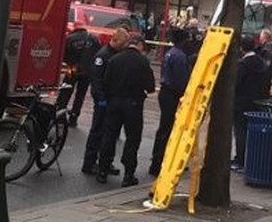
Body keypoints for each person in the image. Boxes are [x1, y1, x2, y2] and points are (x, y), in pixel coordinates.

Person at [97, 36, 156, 186]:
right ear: (140, 45)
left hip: (114, 102)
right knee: (132, 139)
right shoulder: (142, 61)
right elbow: (150, 86)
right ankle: (128, 174)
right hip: (133, 104)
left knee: (109, 136)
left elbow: (105, 81)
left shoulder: (115, 59)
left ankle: (103, 170)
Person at [81, 27, 129, 176]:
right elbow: (96, 80)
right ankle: (89, 163)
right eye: (123, 43)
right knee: (97, 131)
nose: (125, 47)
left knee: (109, 134)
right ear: (116, 40)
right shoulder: (103, 56)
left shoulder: (115, 54)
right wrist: (100, 99)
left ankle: (105, 162)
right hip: (103, 99)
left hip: (112, 99)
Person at [149, 28, 192, 177]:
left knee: (164, 127)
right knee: (168, 128)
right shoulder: (180, 57)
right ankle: (160, 161)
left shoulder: (170, 53)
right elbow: (182, 80)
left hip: (166, 92)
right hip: (173, 94)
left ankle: (157, 159)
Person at [231, 35, 270, 172]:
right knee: (252, 133)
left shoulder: (243, 65)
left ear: (242, 48)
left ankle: (240, 160)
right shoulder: (262, 63)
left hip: (241, 103)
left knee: (240, 132)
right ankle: (251, 160)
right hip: (257, 102)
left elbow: (236, 83)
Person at [56, 22, 101, 127]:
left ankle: (60, 116)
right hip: (88, 71)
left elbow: (63, 55)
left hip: (72, 70)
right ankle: (74, 117)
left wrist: (70, 63)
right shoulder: (93, 39)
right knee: (80, 95)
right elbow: (98, 54)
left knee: (66, 91)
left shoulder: (70, 38)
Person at [257, 28, 272, 96]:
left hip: (267, 80)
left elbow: (266, 66)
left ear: (265, 38)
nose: (259, 38)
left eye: (261, 36)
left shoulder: (267, 50)